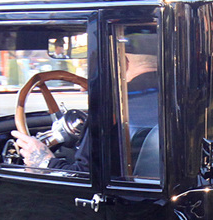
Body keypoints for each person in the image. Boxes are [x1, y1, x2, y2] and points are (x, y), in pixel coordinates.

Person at [11, 31, 160, 173]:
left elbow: (84, 177)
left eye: (98, 65)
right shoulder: (174, 97)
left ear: (121, 62)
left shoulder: (111, 110)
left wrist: (43, 160)